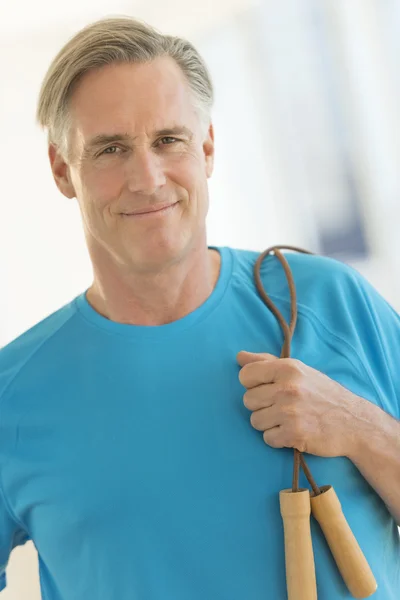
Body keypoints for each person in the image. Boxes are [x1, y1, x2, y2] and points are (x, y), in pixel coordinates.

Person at [0, 16, 399, 600]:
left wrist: (362, 429)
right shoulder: (15, 393)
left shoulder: (329, 303)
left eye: (168, 140)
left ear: (206, 147)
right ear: (63, 170)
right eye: (111, 149)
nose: (148, 177)